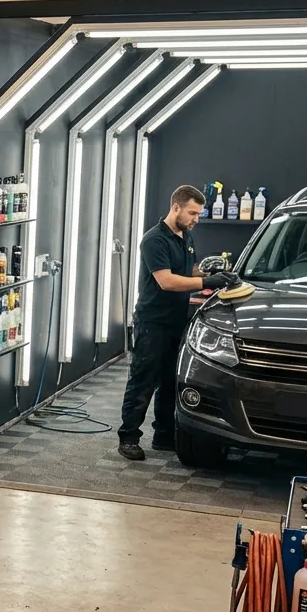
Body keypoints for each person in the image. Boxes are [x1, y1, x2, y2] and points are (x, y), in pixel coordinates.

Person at [118, 184, 236, 461]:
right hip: (152, 322)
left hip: (176, 321)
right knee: (143, 380)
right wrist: (207, 281)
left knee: (171, 382)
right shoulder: (154, 240)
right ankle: (129, 437)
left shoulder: (185, 237)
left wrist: (208, 270)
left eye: (199, 214)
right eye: (193, 213)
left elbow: (186, 271)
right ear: (176, 207)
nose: (196, 219)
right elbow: (167, 280)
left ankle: (163, 435)